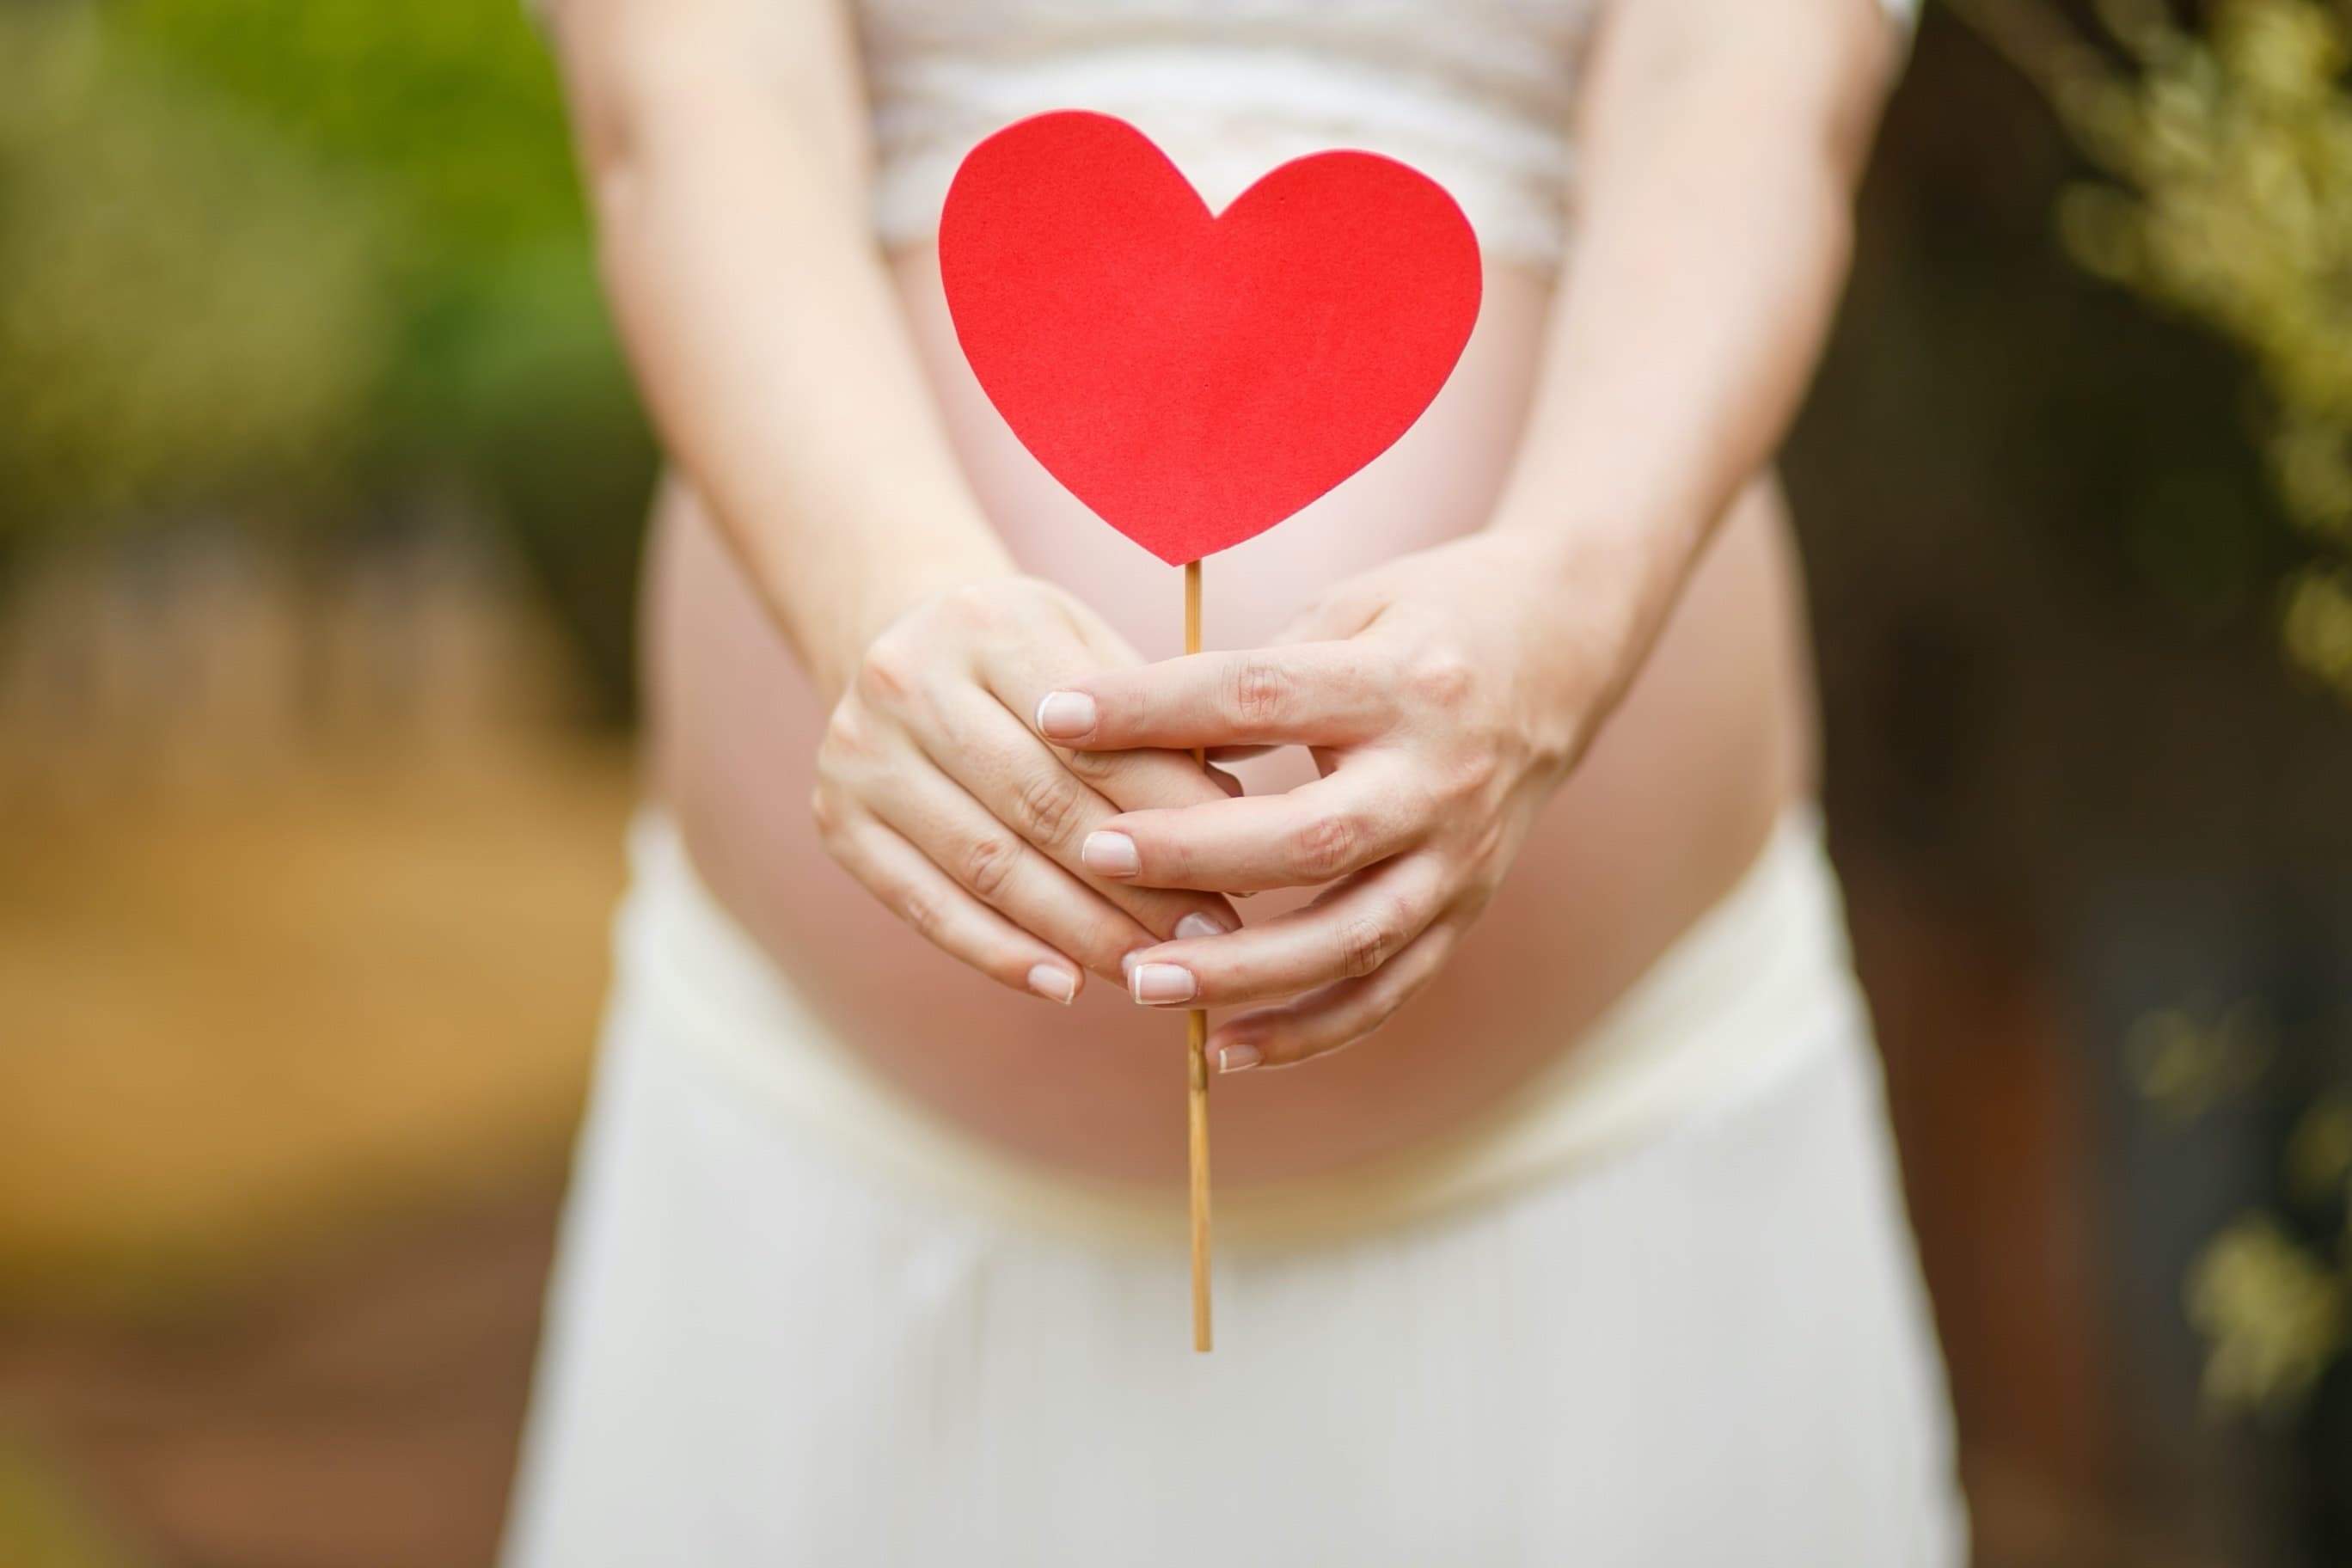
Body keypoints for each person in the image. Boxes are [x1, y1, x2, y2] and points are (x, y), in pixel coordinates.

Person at [505, 0, 1966, 1561]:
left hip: (1614, 1159)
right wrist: (879, 593)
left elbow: (1749, 106)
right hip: (837, 1169)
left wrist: (1571, 599)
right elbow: (690, 113)